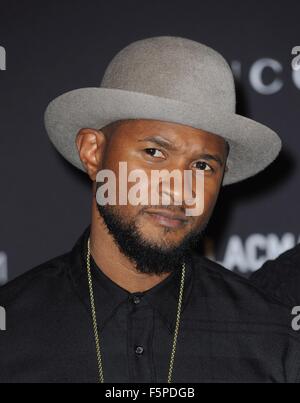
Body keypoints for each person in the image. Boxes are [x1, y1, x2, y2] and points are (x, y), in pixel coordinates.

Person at [0, 36, 299, 383]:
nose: (178, 189)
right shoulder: (12, 331)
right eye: (154, 153)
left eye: (202, 166)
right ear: (93, 152)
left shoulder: (273, 339)